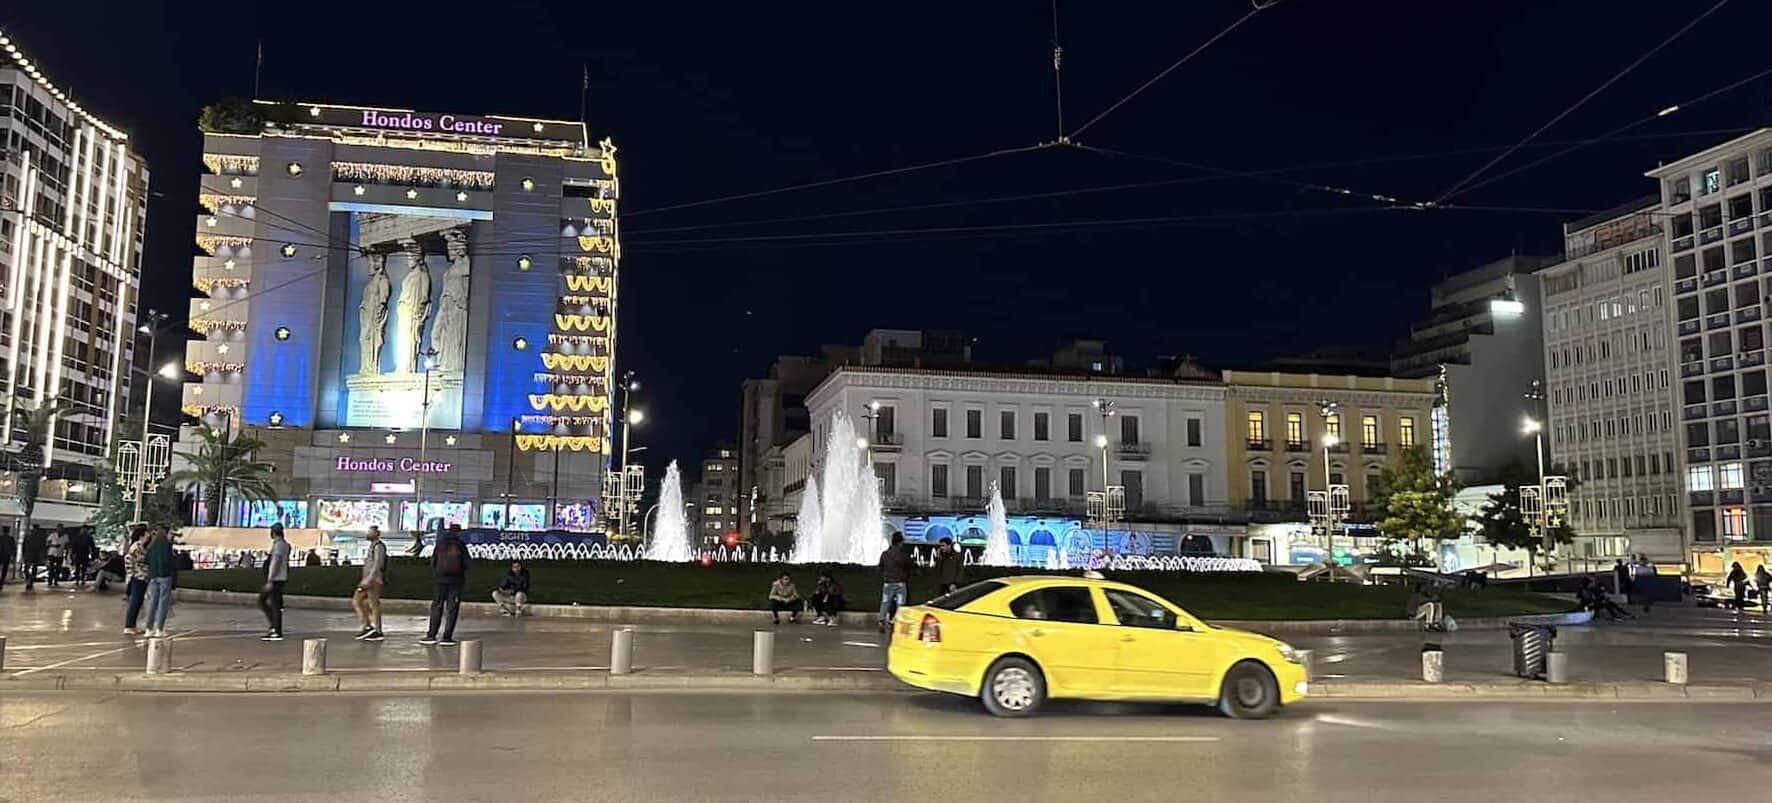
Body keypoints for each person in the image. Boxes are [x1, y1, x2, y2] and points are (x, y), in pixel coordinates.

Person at [422, 524, 470, 646]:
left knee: (437, 606)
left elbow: (433, 562)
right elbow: (467, 563)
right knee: (452, 609)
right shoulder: (460, 545)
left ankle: (431, 635)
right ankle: (447, 637)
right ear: (458, 532)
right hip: (455, 581)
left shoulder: (440, 544)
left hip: (439, 581)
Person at [352, 525, 388, 641]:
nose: (368, 534)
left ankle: (375, 629)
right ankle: (369, 626)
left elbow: (378, 564)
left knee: (372, 604)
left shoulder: (378, 546)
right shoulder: (373, 546)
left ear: (376, 533)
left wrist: (369, 580)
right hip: (368, 580)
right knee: (360, 601)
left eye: (370, 532)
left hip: (373, 580)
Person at [257, 524, 291, 641]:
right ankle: (274, 626)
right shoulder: (284, 545)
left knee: (270, 603)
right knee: (273, 603)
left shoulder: (279, 546)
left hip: (276, 579)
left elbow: (275, 562)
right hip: (279, 578)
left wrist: (270, 579)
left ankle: (276, 629)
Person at [142, 527, 178, 637]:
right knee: (163, 603)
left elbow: (146, 560)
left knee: (152, 602)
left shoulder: (151, 547)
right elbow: (170, 561)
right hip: (165, 576)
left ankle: (148, 628)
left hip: (153, 576)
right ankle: (159, 629)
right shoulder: (167, 546)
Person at [877, 532, 914, 633]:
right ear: (900, 542)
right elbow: (910, 565)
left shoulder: (885, 554)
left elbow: (880, 567)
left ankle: (881, 619)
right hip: (900, 583)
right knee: (900, 603)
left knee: (885, 602)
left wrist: (886, 574)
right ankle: (893, 621)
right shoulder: (902, 554)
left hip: (887, 582)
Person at [122, 526, 150, 635]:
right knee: (135, 601)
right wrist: (132, 574)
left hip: (140, 576)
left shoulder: (140, 546)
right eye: (146, 533)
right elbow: (132, 560)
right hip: (138, 576)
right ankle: (129, 625)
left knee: (138, 601)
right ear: (142, 534)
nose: (148, 535)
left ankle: (132, 625)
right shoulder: (137, 547)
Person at [20, 526, 46, 591]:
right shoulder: (40, 537)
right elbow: (42, 547)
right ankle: (30, 581)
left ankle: (29, 580)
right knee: (33, 568)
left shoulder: (28, 536)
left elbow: (24, 546)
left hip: (29, 554)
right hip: (34, 555)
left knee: (27, 568)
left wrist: (23, 554)